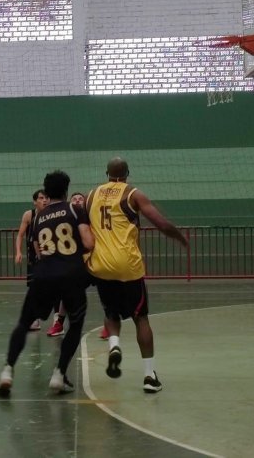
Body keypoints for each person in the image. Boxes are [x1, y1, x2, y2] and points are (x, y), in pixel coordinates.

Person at [86, 157, 188, 393]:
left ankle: (114, 345)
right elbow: (161, 223)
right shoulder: (133, 194)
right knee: (140, 317)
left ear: (106, 173)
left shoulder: (91, 195)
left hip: (101, 265)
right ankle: (149, 375)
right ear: (127, 173)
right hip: (127, 266)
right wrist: (179, 237)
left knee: (111, 312)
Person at [0, 171, 95, 397]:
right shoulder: (75, 209)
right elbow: (89, 243)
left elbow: (38, 251)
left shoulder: (39, 217)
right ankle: (59, 374)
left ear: (47, 192)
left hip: (44, 276)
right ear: (66, 190)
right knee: (76, 324)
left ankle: (7, 370)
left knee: (24, 323)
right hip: (71, 276)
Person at [45, 192, 86, 337]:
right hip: (75, 261)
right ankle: (59, 324)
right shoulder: (68, 217)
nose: (77, 200)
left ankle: (109, 324)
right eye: (74, 199)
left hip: (94, 258)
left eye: (80, 198)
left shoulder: (91, 216)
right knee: (66, 292)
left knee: (105, 289)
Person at [14, 189, 48, 331]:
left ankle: (59, 319)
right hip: (34, 259)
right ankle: (35, 319)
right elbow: (20, 235)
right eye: (41, 198)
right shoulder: (29, 215)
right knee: (34, 289)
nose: (44, 200)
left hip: (50, 256)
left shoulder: (52, 214)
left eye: (46, 197)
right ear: (35, 201)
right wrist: (18, 252)